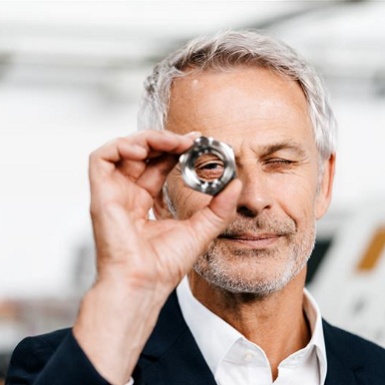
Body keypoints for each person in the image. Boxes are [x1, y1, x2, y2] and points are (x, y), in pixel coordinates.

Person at [5, 30, 385, 385]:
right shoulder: (64, 366)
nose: (252, 199)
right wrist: (123, 290)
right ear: (159, 197)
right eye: (212, 167)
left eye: (280, 161)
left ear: (324, 184)